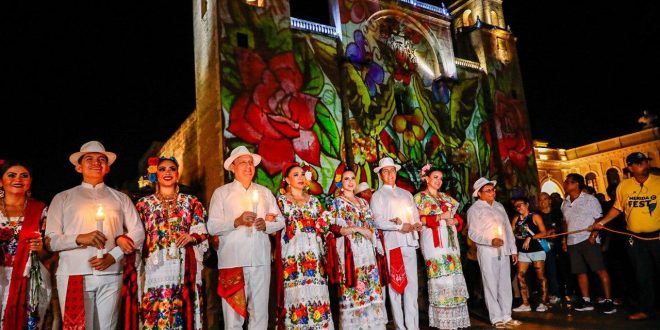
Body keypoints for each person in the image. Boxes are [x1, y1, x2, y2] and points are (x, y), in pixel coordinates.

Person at [45, 141, 145, 330]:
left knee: (108, 326)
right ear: (78, 167)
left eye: (101, 159)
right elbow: (51, 240)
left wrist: (113, 256)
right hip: (74, 272)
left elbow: (137, 232)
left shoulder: (120, 198)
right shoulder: (62, 198)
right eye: (89, 159)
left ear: (107, 168)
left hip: (111, 272)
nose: (96, 162)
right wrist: (79, 238)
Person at [207, 146, 284, 330]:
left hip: (260, 259)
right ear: (232, 167)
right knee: (233, 318)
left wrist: (267, 225)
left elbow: (280, 220)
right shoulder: (221, 193)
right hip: (232, 261)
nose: (248, 166)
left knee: (259, 315)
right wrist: (236, 221)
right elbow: (212, 227)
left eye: (251, 163)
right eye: (243, 163)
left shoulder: (264, 192)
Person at [135, 156, 209, 329]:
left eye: (172, 169)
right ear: (155, 175)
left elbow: (202, 231)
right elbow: (138, 237)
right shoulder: (143, 205)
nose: (167, 172)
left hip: (184, 265)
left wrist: (192, 237)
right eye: (162, 169)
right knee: (157, 312)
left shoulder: (192, 202)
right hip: (155, 268)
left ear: (177, 173)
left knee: (183, 313)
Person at [594, 152, 659, 320]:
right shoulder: (624, 186)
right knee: (643, 275)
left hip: (657, 237)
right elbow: (618, 208)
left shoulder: (658, 182)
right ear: (630, 167)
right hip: (635, 239)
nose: (644, 164)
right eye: (639, 163)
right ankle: (646, 309)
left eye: (645, 161)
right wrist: (602, 222)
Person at [274, 163, 333, 329]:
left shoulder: (314, 201)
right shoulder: (281, 202)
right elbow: (276, 228)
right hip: (292, 255)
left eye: (302, 174)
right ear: (287, 180)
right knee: (296, 296)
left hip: (314, 255)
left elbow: (324, 226)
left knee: (317, 295)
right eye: (295, 175)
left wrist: (326, 225)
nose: (300, 177)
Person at [327, 169, 387, 329]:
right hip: (350, 252)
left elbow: (372, 225)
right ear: (341, 182)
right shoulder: (337, 203)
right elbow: (336, 228)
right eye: (346, 179)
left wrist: (372, 233)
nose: (350, 181)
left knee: (370, 287)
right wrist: (360, 229)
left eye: (353, 178)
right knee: (353, 289)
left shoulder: (364, 202)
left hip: (367, 251)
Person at [414, 165, 470, 329]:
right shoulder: (419, 198)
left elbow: (458, 218)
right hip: (433, 240)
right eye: (435, 177)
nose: (439, 181)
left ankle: (456, 319)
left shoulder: (446, 197)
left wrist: (456, 221)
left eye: (441, 178)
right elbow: (419, 220)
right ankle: (443, 321)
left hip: (450, 242)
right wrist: (439, 217)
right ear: (426, 178)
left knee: (454, 275)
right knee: (440, 275)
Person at [370, 157, 422, 330]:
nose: (390, 174)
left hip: (409, 242)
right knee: (395, 286)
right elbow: (377, 221)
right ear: (380, 175)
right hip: (393, 245)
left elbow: (414, 216)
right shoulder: (377, 196)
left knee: (412, 286)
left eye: (392, 170)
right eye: (386, 171)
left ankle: (413, 326)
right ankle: (400, 326)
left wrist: (416, 224)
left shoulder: (406, 194)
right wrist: (399, 225)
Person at [0, 160, 52, 329]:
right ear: (1, 181)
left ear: (30, 181)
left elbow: (50, 252)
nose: (18, 179)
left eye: (24, 175)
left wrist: (40, 248)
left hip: (29, 276)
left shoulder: (41, 209)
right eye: (11, 175)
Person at [467, 178, 521, 328]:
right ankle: (496, 318)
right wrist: (489, 241)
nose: (492, 192)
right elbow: (472, 233)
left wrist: (513, 249)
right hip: (487, 252)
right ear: (479, 194)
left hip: (503, 251)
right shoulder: (475, 210)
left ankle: (506, 315)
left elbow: (508, 229)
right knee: (491, 284)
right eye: (488, 190)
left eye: (493, 190)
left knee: (505, 283)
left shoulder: (499, 206)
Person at [560, 173, 616, 314]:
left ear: (577, 184)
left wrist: (593, 235)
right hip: (573, 241)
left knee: (599, 269)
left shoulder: (590, 200)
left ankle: (609, 300)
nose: (565, 184)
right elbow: (565, 222)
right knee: (580, 271)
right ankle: (586, 300)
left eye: (568, 182)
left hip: (587, 239)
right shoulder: (564, 202)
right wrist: (565, 240)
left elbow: (599, 218)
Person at [510, 196, 549, 313]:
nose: (518, 207)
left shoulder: (535, 216)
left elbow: (544, 232)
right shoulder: (516, 219)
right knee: (520, 276)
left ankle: (543, 302)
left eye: (520, 204)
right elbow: (512, 233)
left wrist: (530, 238)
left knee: (540, 276)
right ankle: (525, 303)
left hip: (537, 250)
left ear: (527, 204)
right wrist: (516, 237)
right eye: (516, 206)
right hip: (523, 252)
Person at [536, 192, 562, 304]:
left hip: (557, 245)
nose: (543, 202)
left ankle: (557, 293)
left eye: (545, 199)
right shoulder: (536, 215)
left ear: (549, 200)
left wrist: (554, 231)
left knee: (556, 270)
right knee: (544, 271)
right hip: (542, 246)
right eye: (540, 200)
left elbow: (562, 226)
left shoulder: (557, 212)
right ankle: (545, 293)